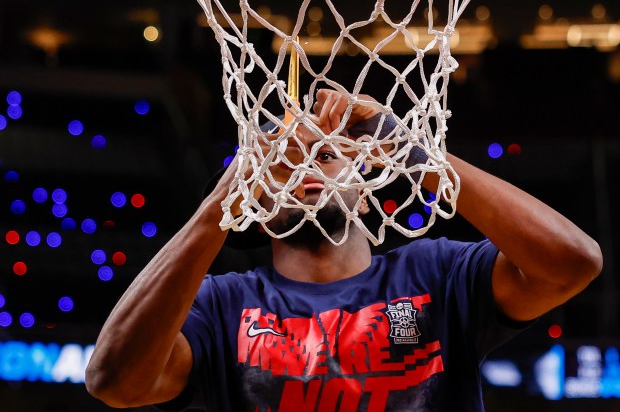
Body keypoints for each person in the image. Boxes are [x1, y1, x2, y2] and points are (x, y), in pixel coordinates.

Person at [85, 89, 603, 411]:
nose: (306, 166)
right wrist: (219, 203)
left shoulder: (436, 272)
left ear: (365, 181)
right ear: (256, 196)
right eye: (284, 163)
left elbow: (573, 262)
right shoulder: (223, 306)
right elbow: (115, 382)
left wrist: (415, 152)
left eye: (326, 154)